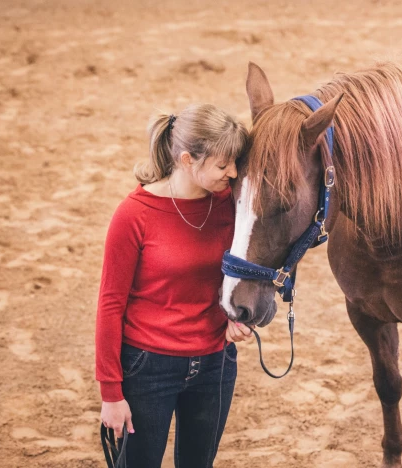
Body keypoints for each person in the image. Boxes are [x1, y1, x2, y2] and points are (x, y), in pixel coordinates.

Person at [95, 104, 253, 467]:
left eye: (236, 162)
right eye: (223, 164)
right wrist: (111, 393)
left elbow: (249, 267)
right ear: (186, 159)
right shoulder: (134, 215)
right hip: (147, 367)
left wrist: (239, 315)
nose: (233, 173)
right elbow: (110, 305)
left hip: (216, 362)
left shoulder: (232, 206)